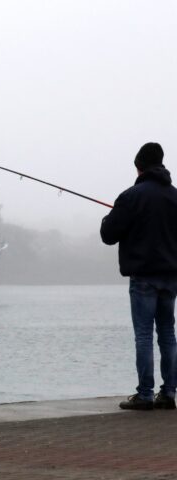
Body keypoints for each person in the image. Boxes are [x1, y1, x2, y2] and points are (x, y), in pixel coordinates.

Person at [101, 142, 177, 410]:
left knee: (144, 334)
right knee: (168, 334)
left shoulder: (130, 197)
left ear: (139, 166)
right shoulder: (174, 197)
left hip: (143, 276)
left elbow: (108, 235)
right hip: (171, 277)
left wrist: (106, 219)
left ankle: (145, 395)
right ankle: (169, 393)